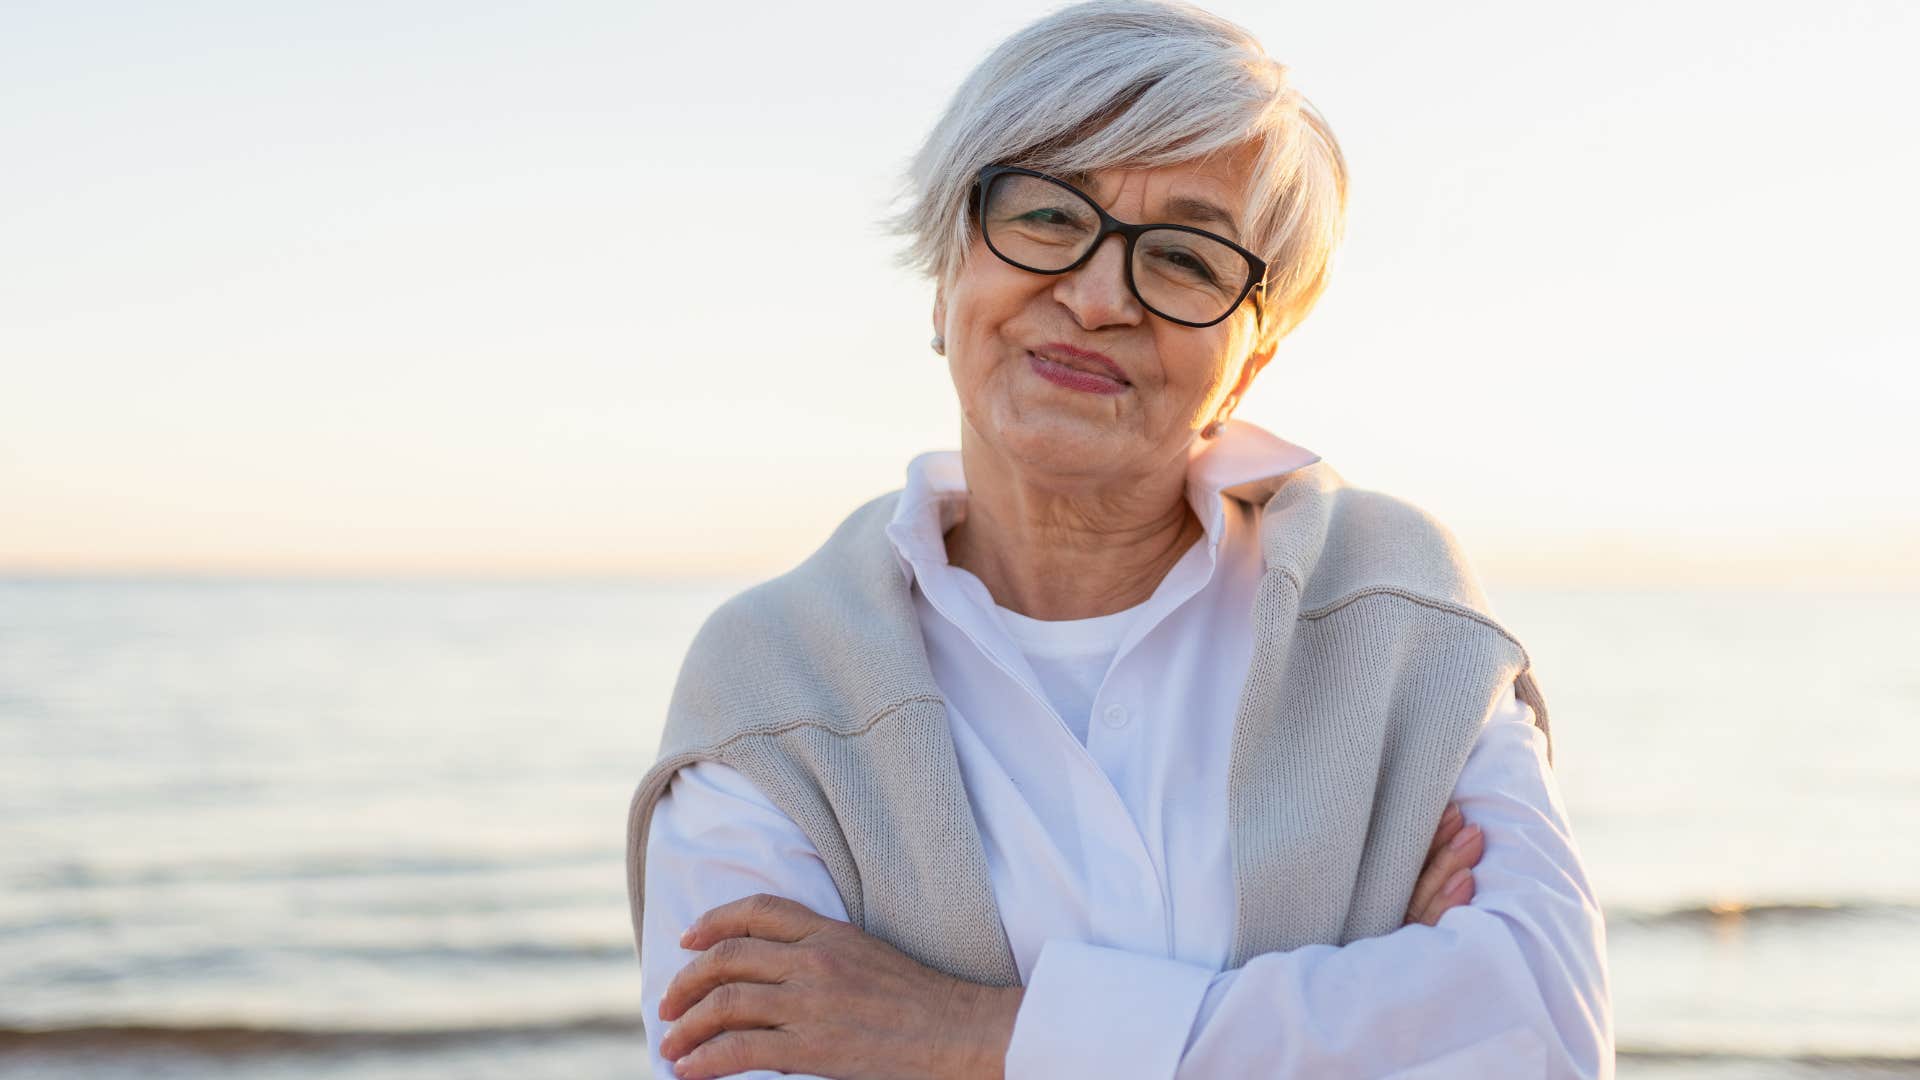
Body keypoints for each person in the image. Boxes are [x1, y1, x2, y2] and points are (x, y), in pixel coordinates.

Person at [627, 2, 1614, 1077]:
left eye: (1187, 259)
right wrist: (1364, 1008)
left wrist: (962, 1034)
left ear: (1252, 356)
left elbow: (1540, 1041)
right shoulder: (770, 686)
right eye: (1048, 216)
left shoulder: (1400, 609)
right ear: (946, 266)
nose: (1099, 298)